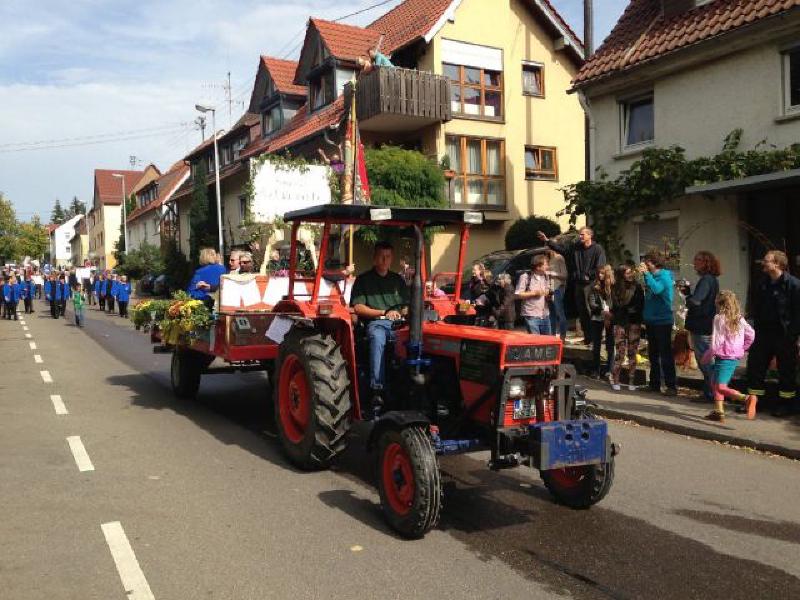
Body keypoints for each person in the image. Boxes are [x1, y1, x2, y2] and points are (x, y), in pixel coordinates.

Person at [350, 241, 410, 413]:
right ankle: (377, 387)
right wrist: (384, 312)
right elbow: (358, 307)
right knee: (377, 337)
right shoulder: (364, 280)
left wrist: (406, 312)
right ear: (375, 258)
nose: (385, 260)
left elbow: (405, 305)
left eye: (388, 256)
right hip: (377, 323)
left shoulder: (397, 280)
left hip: (399, 323)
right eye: (382, 256)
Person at [745, 250, 800, 417]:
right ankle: (755, 402)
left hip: (784, 335)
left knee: (786, 370)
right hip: (763, 334)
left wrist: (793, 336)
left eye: (767, 260)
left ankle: (786, 405)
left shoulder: (794, 285)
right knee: (755, 367)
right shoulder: (762, 283)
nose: (763, 262)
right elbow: (756, 306)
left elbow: (798, 313)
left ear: (777, 264)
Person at [538, 227, 606, 344]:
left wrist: (589, 275)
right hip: (578, 284)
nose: (580, 237)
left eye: (582, 235)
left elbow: (600, 266)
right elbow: (561, 249)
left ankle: (597, 337)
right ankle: (588, 338)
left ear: (590, 236)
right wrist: (547, 240)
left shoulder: (597, 249)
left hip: (591, 284)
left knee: (591, 310)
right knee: (582, 311)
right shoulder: (576, 248)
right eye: (580, 235)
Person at [701, 290, 756, 422]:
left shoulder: (719, 318)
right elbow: (751, 334)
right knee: (715, 383)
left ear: (719, 304)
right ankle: (719, 412)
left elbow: (717, 342)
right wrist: (743, 347)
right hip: (733, 356)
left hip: (724, 357)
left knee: (720, 386)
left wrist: (707, 356)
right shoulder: (739, 318)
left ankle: (747, 398)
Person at [682, 251, 721, 403]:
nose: (694, 263)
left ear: (706, 262)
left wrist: (688, 297)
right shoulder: (711, 280)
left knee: (705, 361)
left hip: (701, 324)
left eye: (697, 260)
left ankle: (712, 394)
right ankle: (710, 392)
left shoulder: (706, 280)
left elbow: (697, 301)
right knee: (705, 360)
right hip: (705, 323)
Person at [639, 252, 677, 396]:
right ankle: (654, 384)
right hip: (651, 320)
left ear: (654, 263)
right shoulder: (651, 277)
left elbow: (656, 289)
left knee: (665, 354)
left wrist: (647, 275)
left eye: (647, 262)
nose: (645, 264)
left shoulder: (665, 277)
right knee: (653, 354)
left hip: (662, 321)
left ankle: (671, 386)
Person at [610, 264, 644, 391]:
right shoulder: (616, 287)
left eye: (631, 272)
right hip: (620, 322)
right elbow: (616, 305)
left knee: (632, 352)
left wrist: (630, 309)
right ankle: (616, 379)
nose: (630, 275)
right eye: (627, 273)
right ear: (621, 275)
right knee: (620, 352)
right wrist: (627, 309)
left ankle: (631, 380)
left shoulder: (637, 287)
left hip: (634, 322)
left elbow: (640, 305)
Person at [588, 265, 615, 379]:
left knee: (610, 344)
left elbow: (616, 303)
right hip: (597, 318)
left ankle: (610, 370)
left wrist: (610, 315)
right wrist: (602, 311)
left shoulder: (613, 288)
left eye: (602, 273)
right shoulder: (594, 287)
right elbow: (592, 303)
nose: (600, 275)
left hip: (610, 318)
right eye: (599, 273)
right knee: (597, 345)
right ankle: (595, 370)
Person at [515, 254, 552, 335]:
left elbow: (547, 292)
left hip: (545, 314)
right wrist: (534, 293)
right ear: (538, 266)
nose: (548, 267)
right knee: (536, 343)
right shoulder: (525, 277)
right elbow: (518, 294)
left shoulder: (546, 276)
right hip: (531, 316)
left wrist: (549, 296)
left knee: (548, 342)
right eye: (546, 264)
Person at [547, 249, 568, 340]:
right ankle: (552, 336)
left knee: (559, 312)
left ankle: (562, 336)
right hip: (550, 289)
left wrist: (553, 274)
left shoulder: (559, 258)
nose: (546, 249)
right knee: (551, 313)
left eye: (548, 247)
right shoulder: (548, 259)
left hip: (558, 288)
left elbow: (564, 275)